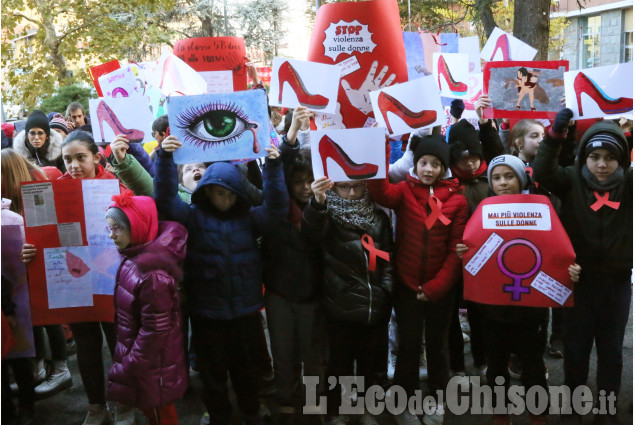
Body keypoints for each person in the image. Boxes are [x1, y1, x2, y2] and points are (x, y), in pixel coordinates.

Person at [153, 135, 288, 425]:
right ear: (207, 193)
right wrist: (164, 159)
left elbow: (276, 208)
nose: (224, 199)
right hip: (206, 314)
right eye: (218, 193)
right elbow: (165, 199)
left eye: (229, 194)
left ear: (238, 193)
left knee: (246, 369)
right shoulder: (192, 217)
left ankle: (251, 410)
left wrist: (274, 167)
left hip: (245, 311)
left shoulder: (250, 219)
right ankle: (218, 415)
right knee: (212, 372)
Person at [456, 154, 581, 425]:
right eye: (497, 177)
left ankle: (538, 414)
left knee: (532, 364)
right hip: (492, 311)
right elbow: (475, 254)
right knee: (497, 364)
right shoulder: (484, 210)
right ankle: (501, 414)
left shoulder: (542, 209)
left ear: (520, 178)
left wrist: (569, 271)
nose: (503, 183)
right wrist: (463, 251)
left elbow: (555, 249)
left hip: (530, 312)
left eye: (509, 176)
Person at [21, 130, 131, 425]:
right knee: (86, 346)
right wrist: (30, 249)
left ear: (96, 157)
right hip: (76, 281)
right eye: (68, 159)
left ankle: (123, 404)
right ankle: (96, 406)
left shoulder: (116, 186)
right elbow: (41, 235)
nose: (73, 165)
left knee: (120, 343)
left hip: (112, 278)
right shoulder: (54, 190)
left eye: (80, 158)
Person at [533, 111, 632, 425]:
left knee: (611, 351)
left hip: (616, 285)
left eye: (610, 158)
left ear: (622, 159)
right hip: (578, 283)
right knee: (576, 349)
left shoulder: (629, 185)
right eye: (595, 156)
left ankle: (606, 409)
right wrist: (554, 136)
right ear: (584, 157)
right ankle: (573, 408)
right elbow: (542, 171)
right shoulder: (570, 179)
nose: (602, 165)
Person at [367, 135, 469, 425]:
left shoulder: (458, 202)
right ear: (415, 163)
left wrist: (436, 287)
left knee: (437, 345)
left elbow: (455, 250)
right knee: (409, 344)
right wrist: (382, 144)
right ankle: (404, 399)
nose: (428, 169)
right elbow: (378, 190)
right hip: (407, 284)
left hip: (441, 287)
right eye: (423, 162)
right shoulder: (403, 191)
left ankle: (437, 399)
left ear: (444, 168)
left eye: (436, 164)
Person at [304, 174, 393, 425]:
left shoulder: (378, 218)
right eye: (344, 187)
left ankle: (364, 409)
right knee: (339, 364)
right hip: (339, 304)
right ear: (335, 188)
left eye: (356, 186)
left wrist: (385, 291)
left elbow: (387, 258)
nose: (352, 192)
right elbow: (310, 232)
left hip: (372, 305)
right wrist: (318, 201)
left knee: (368, 363)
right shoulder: (328, 217)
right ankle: (334, 411)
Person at [104, 193, 188, 425]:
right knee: (151, 409)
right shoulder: (133, 257)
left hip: (153, 364)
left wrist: (131, 363)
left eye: (117, 228)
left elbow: (155, 330)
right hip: (145, 361)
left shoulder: (153, 275)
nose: (111, 235)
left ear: (137, 226)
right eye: (109, 228)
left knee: (161, 413)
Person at [1, 148, 73, 399]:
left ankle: (60, 367)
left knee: (47, 313)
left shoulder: (36, 183)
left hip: (44, 259)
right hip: (28, 260)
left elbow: (47, 226)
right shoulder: (23, 184)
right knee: (34, 315)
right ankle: (40, 366)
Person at [446, 95, 504, 379]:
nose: (469, 163)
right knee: (451, 317)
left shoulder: (492, 177)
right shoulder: (447, 182)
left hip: (486, 256)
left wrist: (484, 123)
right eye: (462, 158)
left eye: (474, 157)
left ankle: (482, 359)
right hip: (454, 257)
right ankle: (456, 365)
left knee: (481, 313)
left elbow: (498, 152)